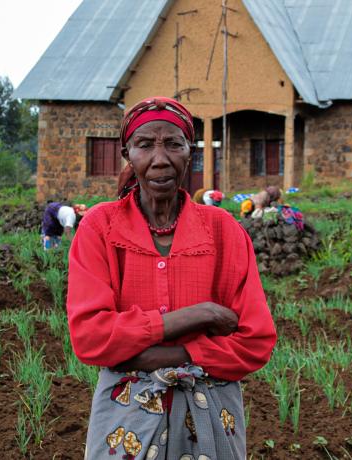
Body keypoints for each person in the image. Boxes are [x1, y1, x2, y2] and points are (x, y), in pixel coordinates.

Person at [67, 97, 276, 459]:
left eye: (173, 144)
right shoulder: (100, 228)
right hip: (126, 416)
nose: (159, 158)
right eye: (145, 145)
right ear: (127, 153)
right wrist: (201, 315)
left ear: (189, 152)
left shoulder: (223, 230)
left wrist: (158, 355)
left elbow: (255, 341)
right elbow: (90, 337)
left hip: (211, 414)